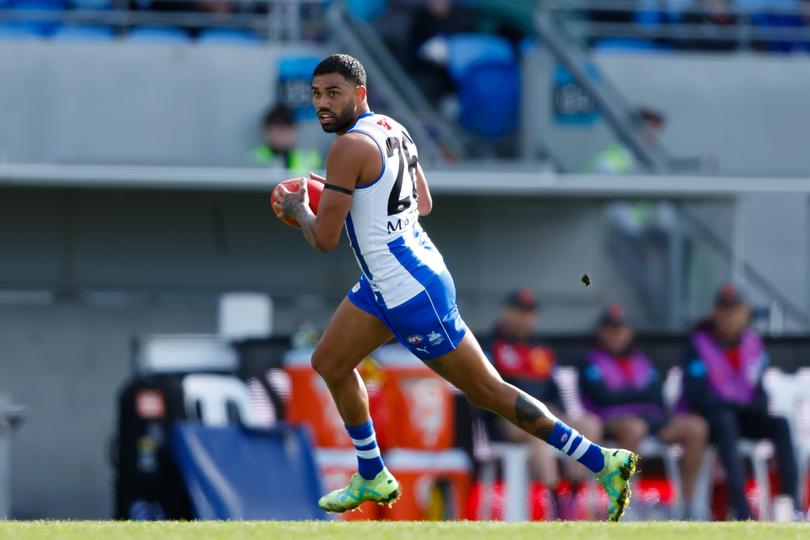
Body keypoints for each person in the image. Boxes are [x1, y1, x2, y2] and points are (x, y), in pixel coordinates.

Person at [271, 54, 638, 521]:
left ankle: (602, 460)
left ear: (359, 93)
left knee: (488, 391)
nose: (323, 104)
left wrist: (300, 210)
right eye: (317, 95)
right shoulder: (392, 127)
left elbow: (324, 239)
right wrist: (345, 195)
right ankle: (372, 473)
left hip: (409, 289)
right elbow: (423, 202)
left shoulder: (347, 147)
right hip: (393, 276)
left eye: (333, 93)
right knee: (328, 360)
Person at [683, 284, 801, 520]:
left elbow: (759, 389)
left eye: (735, 310)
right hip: (713, 419)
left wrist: (756, 404)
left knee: (781, 424)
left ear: (745, 312)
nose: (730, 317)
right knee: (726, 422)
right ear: (715, 313)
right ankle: (740, 507)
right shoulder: (699, 343)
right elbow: (695, 394)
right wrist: (730, 404)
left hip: (744, 414)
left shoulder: (752, 343)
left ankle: (790, 503)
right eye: (724, 311)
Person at [579, 304, 708, 518]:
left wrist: (627, 393)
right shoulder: (590, 361)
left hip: (651, 418)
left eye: (621, 329)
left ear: (629, 332)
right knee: (633, 429)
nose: (616, 334)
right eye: (611, 329)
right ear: (601, 332)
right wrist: (637, 392)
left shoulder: (641, 361)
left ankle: (688, 506)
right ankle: (623, 506)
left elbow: (656, 395)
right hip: (611, 420)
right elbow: (602, 397)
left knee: (696, 427)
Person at [489, 289, 604, 518]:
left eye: (530, 312)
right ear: (508, 313)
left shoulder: (541, 349)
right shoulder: (492, 346)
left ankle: (572, 493)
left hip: (544, 412)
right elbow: (491, 391)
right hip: (508, 417)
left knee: (590, 424)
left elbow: (554, 393)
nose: (525, 318)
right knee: (538, 431)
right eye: (520, 312)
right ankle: (554, 502)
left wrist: (554, 410)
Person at [250, 103, 322, 176]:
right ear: (268, 130)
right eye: (281, 128)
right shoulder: (254, 160)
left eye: (290, 126)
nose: (286, 133)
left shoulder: (311, 158)